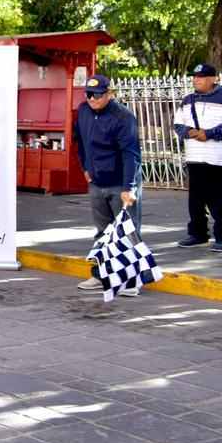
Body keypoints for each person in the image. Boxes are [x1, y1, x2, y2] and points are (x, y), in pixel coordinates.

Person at [72, 74, 143, 293]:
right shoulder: (84, 111)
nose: (93, 99)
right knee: (103, 233)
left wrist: (128, 187)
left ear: (110, 94)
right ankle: (101, 275)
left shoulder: (123, 117)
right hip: (96, 182)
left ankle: (131, 280)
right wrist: (85, 167)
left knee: (127, 232)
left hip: (120, 183)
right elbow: (80, 142)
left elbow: (131, 154)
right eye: (89, 94)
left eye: (98, 95)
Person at [172, 63, 222, 252]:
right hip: (194, 157)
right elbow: (177, 125)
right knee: (196, 200)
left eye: (201, 77)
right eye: (194, 77)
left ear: (213, 79)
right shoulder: (188, 100)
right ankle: (198, 234)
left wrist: (208, 134)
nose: (196, 80)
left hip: (218, 158)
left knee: (220, 200)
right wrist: (191, 132)